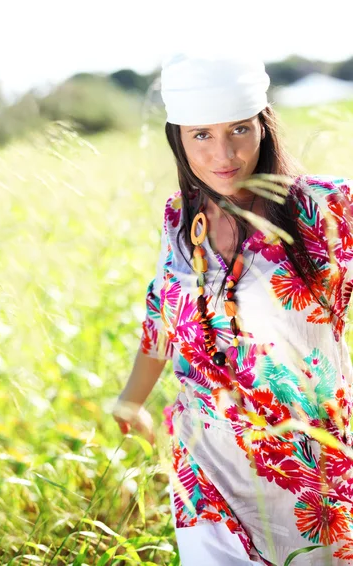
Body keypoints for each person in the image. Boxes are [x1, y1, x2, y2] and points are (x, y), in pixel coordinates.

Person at [112, 50, 353, 565]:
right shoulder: (180, 218)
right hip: (205, 470)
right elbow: (163, 313)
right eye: (201, 135)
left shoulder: (325, 208)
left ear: (263, 127)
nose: (225, 153)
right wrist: (131, 400)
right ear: (178, 138)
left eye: (239, 129)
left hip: (307, 471)